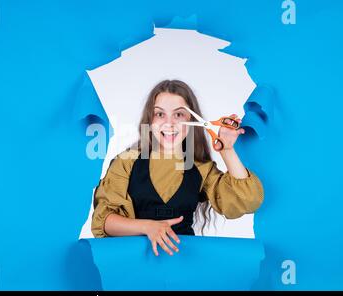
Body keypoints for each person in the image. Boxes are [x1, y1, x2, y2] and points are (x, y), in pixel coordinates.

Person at [91, 80, 264, 256]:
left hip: (184, 263)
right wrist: (148, 227)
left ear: (192, 119)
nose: (169, 123)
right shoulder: (126, 162)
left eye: (179, 115)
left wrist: (227, 149)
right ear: (149, 120)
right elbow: (103, 221)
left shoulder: (201, 168)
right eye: (160, 114)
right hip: (136, 264)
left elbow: (247, 201)